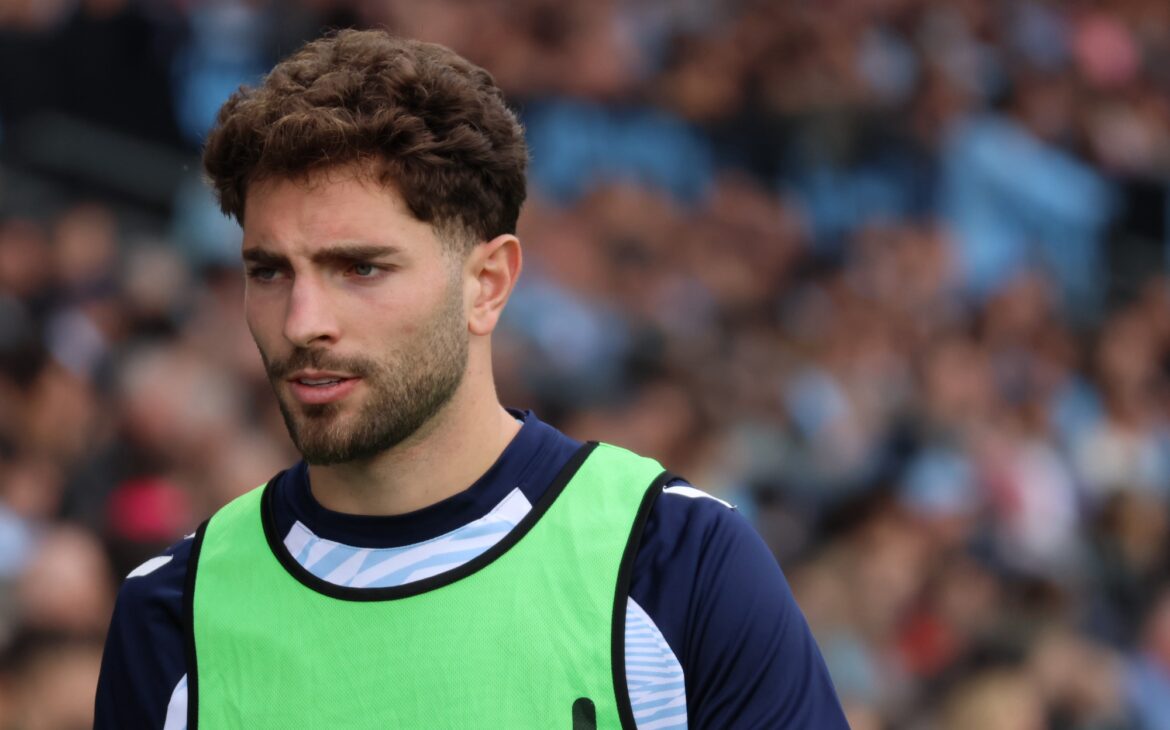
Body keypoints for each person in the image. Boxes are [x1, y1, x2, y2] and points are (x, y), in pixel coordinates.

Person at [95, 29, 848, 729]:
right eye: (269, 271)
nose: (302, 322)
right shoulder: (174, 615)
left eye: (360, 268)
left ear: (488, 283)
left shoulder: (676, 561)